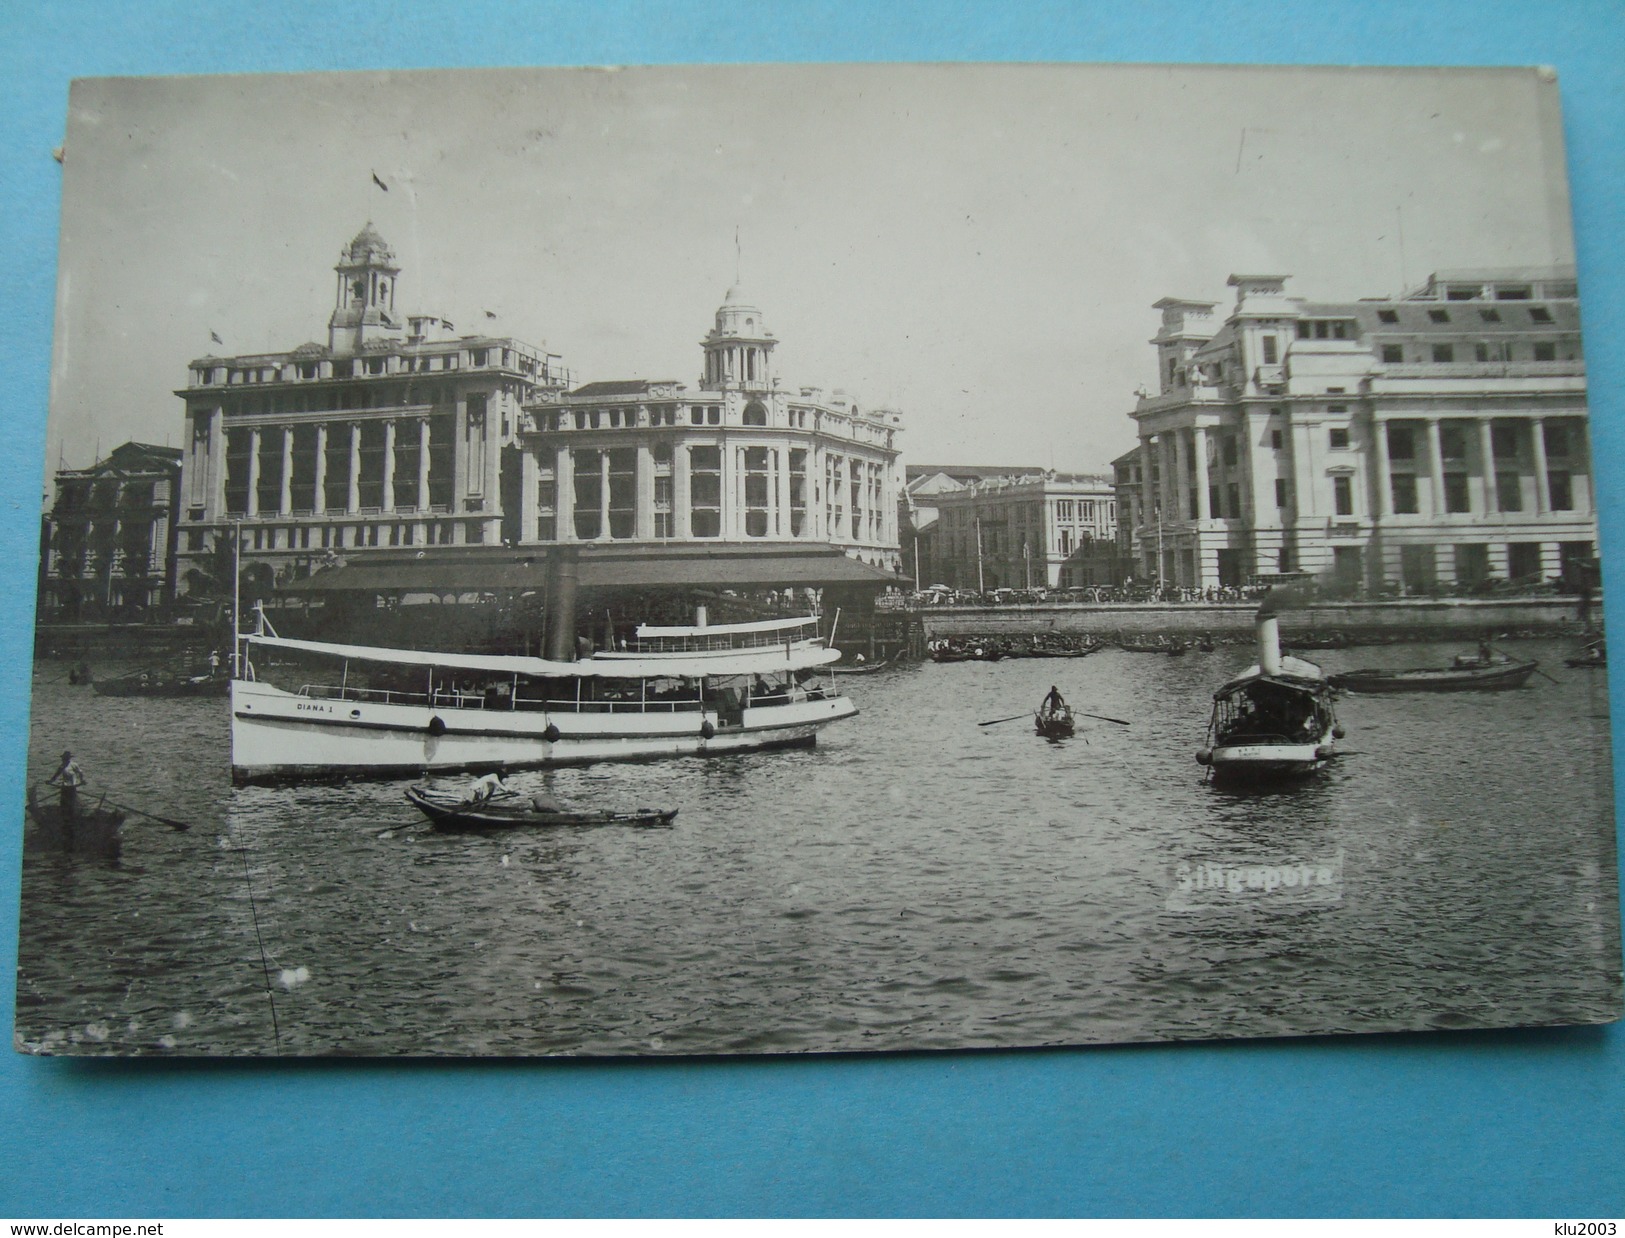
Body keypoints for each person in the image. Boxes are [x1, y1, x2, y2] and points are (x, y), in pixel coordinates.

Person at [47, 750, 86, 824]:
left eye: (65, 758)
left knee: (71, 804)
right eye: (63, 758)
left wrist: (82, 781)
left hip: (72, 788)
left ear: (68, 758)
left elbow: (80, 772)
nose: (63, 760)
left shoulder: (74, 765)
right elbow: (56, 775)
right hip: (64, 788)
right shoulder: (62, 766)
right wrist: (50, 781)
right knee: (63, 804)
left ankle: (71, 819)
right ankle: (65, 820)